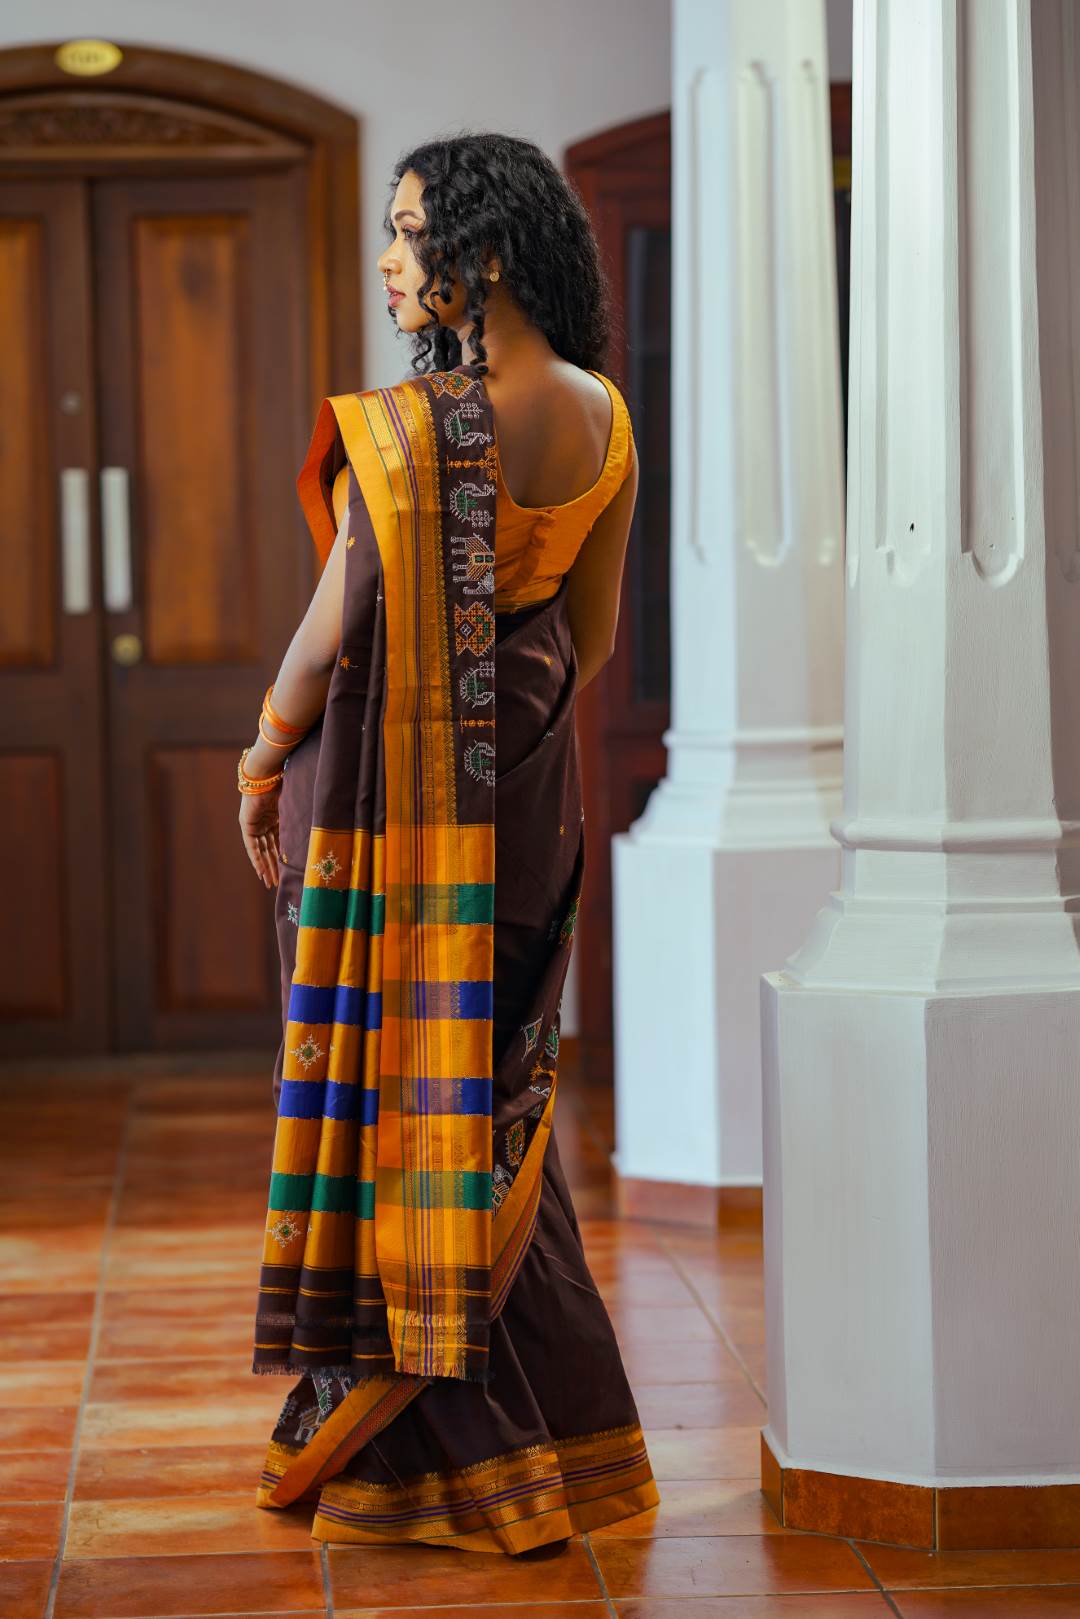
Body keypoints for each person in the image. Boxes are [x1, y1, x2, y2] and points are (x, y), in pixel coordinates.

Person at [237, 131, 659, 1555]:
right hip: (525, 801)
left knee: (391, 1116)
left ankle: (425, 1464)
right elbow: (591, 636)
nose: (389, 259)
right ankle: (561, 1446)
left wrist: (262, 754)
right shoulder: (603, 417)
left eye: (409, 232)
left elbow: (332, 630)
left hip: (380, 815)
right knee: (490, 1117)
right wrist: (494, 733)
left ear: (480, 251)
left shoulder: (420, 434)